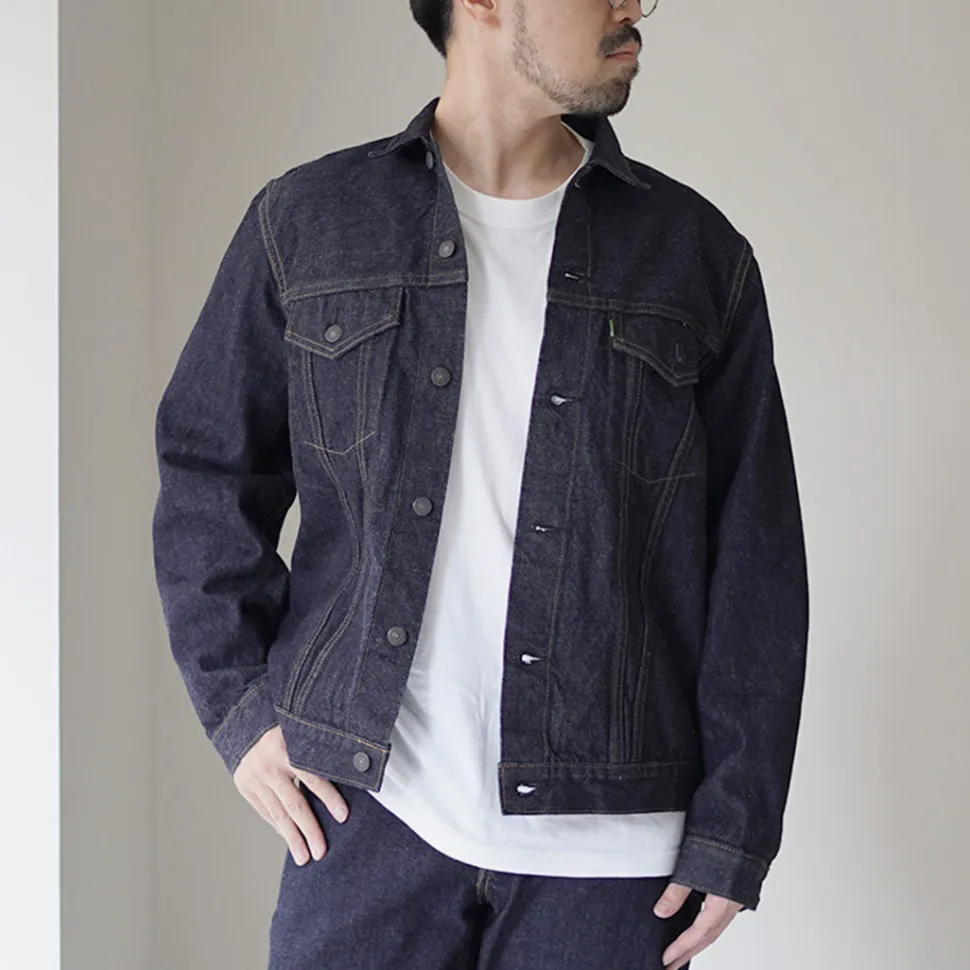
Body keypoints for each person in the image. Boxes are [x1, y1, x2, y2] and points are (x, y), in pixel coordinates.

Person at [151, 1, 810, 967]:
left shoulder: (694, 255)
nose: (635, 6)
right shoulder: (309, 223)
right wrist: (241, 711)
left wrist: (737, 822)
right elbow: (207, 472)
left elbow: (756, 562)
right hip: (365, 820)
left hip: (612, 856)